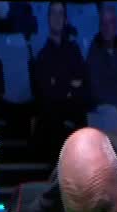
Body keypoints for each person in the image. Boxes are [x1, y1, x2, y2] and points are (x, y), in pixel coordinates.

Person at [32, 2, 88, 166]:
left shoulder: (74, 51)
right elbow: (46, 92)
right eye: (53, 13)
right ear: (48, 18)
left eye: (60, 13)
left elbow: (82, 82)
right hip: (52, 116)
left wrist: (58, 83)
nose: (57, 18)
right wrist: (68, 85)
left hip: (73, 111)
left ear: (65, 19)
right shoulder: (43, 55)